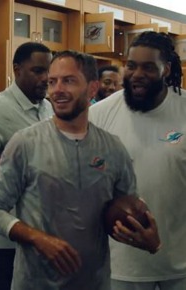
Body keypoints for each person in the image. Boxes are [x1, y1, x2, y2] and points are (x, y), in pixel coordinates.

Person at [0, 50, 161, 290]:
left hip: (93, 283)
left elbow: (127, 208)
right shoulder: (24, 142)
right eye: (52, 82)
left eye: (69, 80)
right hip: (35, 284)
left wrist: (146, 237)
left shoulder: (113, 148)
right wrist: (37, 238)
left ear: (92, 88)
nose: (57, 90)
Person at [89, 31, 186, 290]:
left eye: (148, 67)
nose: (137, 74)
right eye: (131, 66)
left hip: (179, 264)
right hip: (119, 265)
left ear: (166, 70)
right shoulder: (99, 115)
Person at [0, 42, 53, 290]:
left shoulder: (47, 107)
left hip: (40, 230)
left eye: (49, 71)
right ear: (17, 69)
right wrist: (11, 160)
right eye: (38, 71)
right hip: (5, 236)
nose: (46, 78)